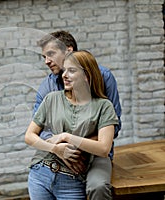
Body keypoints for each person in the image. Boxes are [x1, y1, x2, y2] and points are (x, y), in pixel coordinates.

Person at [32, 31, 121, 200]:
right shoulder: (47, 87)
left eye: (51, 54)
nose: (47, 61)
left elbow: (114, 125)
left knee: (98, 186)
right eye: (44, 56)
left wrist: (79, 147)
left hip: (95, 153)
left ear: (68, 51)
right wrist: (60, 149)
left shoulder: (104, 77)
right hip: (60, 152)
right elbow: (40, 129)